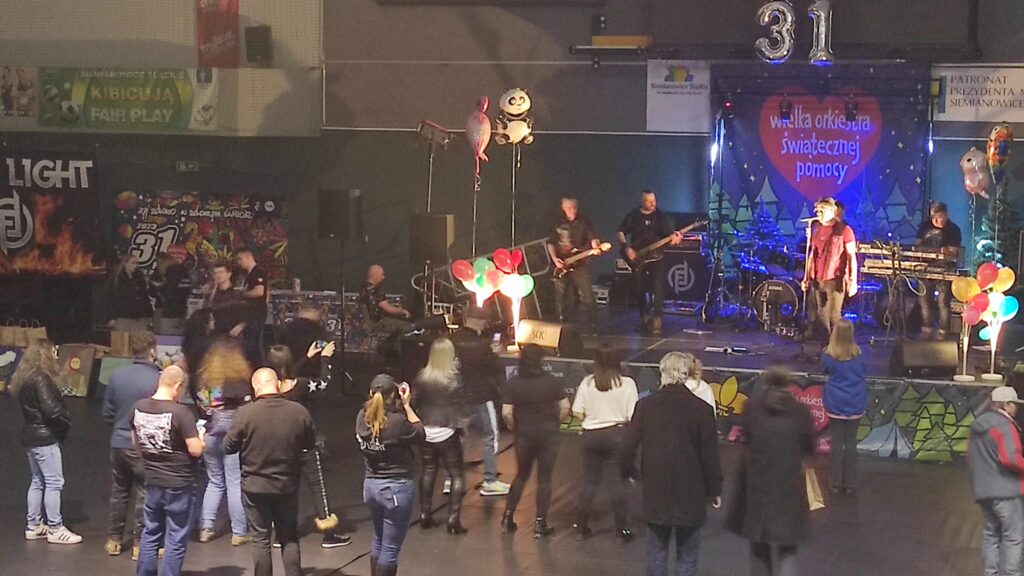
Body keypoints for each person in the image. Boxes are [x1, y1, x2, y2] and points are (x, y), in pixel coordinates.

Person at [621, 351, 723, 576]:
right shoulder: (702, 410)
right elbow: (710, 456)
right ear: (686, 374)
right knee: (687, 555)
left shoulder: (645, 406)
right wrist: (714, 490)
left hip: (656, 490)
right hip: (691, 493)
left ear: (662, 373)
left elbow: (627, 445)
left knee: (656, 552)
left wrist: (630, 472)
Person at [225, 368, 317, 576]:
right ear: (277, 385)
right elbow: (309, 444)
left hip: (254, 487)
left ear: (255, 387)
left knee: (260, 539)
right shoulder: (299, 411)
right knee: (289, 537)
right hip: (287, 485)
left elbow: (228, 447)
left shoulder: (245, 413)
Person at [728, 367, 815, 576]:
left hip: (758, 488)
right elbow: (810, 447)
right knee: (788, 548)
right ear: (789, 383)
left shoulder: (751, 409)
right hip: (789, 488)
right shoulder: (801, 412)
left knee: (759, 547)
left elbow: (746, 440)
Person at [265, 343, 352, 548]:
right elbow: (323, 383)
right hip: (304, 444)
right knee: (317, 485)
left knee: (285, 489)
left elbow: (286, 374)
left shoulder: (269, 389)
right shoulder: (302, 385)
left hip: (281, 447)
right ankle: (329, 534)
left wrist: (306, 357)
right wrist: (325, 359)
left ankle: (282, 534)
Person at [132, 365, 205, 576]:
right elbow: (195, 450)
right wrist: (202, 439)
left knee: (150, 532)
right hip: (179, 483)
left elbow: (135, 442)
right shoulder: (181, 412)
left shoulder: (138, 407)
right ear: (178, 386)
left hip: (152, 479)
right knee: (176, 536)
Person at [12, 338, 81, 545]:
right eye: (54, 352)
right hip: (45, 438)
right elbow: (51, 410)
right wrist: (66, 420)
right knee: (54, 482)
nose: (56, 356)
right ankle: (55, 528)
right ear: (45, 354)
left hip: (31, 436)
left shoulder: (25, 377)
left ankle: (33, 525)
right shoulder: (41, 378)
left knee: (37, 480)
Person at [356, 374, 425, 576]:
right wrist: (407, 406)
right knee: (390, 549)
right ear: (392, 396)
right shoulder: (397, 422)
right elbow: (420, 433)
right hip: (395, 489)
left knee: (379, 540)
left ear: (371, 393)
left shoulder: (361, 417)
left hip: (371, 487)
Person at [570, 344, 638, 541]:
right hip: (617, 436)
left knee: (589, 481)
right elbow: (632, 415)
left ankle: (581, 528)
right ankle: (621, 530)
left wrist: (591, 419)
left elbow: (577, 411)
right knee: (616, 481)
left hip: (590, 436)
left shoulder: (588, 382)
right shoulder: (627, 384)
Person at [500, 345, 570, 538]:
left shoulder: (513, 383)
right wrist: (556, 422)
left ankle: (507, 518)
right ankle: (540, 523)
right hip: (548, 434)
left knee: (521, 475)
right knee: (544, 479)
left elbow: (506, 413)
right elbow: (565, 407)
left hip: (524, 434)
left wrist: (514, 427)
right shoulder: (551, 381)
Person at [103, 331, 160, 558]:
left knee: (119, 492)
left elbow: (107, 413)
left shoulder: (117, 375)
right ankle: (139, 544)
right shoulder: (157, 378)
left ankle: (113, 540)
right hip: (144, 446)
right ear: (152, 351)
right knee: (145, 494)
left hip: (118, 442)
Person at [196, 340, 253, 545]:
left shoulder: (205, 382)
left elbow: (202, 410)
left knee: (214, 481)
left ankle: (206, 527)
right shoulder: (240, 383)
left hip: (210, 435)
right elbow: (247, 411)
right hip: (233, 437)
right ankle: (239, 532)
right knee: (234, 483)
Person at [412, 338, 469, 534]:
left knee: (428, 471)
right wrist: (462, 428)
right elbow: (461, 407)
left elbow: (414, 402)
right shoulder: (455, 379)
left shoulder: (421, 376)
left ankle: (424, 514)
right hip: (447, 431)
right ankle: (453, 520)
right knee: (456, 475)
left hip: (426, 431)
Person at [967, 386, 1024, 576]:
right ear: (1006, 405)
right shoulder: (1005, 426)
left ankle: (990, 573)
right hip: (1006, 491)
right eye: (1014, 404)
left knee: (991, 535)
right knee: (1013, 536)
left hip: (983, 491)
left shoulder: (978, 425)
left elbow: (969, 456)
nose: (1016, 408)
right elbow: (1011, 459)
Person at [450, 322, 510, 496]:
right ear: (480, 321)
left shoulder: (451, 340)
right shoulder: (482, 345)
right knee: (490, 436)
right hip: (481, 395)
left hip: (458, 395)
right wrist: (494, 354)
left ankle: (451, 479)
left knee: (457, 437)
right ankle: (490, 481)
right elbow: (494, 368)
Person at [617, 190, 683, 335]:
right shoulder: (633, 215)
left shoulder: (660, 216)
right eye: (649, 201)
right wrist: (626, 248)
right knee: (640, 287)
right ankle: (644, 317)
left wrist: (675, 239)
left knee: (658, 286)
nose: (653, 203)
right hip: (639, 258)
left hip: (656, 257)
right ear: (642, 202)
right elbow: (620, 232)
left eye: (654, 200)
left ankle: (657, 318)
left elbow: (669, 236)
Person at [801, 197, 858, 341]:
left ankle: (837, 346)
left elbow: (851, 256)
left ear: (833, 211)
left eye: (823, 210)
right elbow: (812, 255)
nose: (819, 213)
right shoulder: (816, 230)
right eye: (817, 210)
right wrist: (806, 277)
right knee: (822, 314)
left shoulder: (844, 230)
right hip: (818, 279)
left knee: (833, 315)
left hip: (835, 279)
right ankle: (825, 346)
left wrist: (853, 281)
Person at [821, 319, 867, 494]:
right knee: (851, 443)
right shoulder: (859, 354)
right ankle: (850, 484)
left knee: (837, 442)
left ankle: (835, 483)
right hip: (855, 401)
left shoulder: (828, 355)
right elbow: (863, 372)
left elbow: (824, 370)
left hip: (835, 402)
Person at [547, 196, 603, 333]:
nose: (572, 210)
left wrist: (596, 246)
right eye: (569, 208)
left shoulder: (584, 221)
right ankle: (561, 326)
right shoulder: (556, 222)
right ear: (563, 208)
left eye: (574, 207)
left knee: (587, 295)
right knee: (561, 296)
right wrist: (555, 259)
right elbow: (551, 242)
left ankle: (594, 325)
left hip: (580, 263)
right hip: (562, 263)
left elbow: (592, 237)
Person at [915, 202, 962, 339]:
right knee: (924, 300)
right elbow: (916, 246)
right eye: (934, 218)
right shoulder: (924, 226)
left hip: (944, 270)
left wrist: (946, 252)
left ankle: (944, 331)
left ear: (946, 215)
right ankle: (927, 329)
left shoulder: (953, 229)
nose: (936, 220)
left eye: (940, 217)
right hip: (924, 268)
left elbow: (954, 252)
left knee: (943, 302)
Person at [278, 303, 329, 379]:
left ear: (299, 310)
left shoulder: (288, 329)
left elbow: (280, 352)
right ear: (317, 312)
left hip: (290, 374)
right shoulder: (319, 332)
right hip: (313, 375)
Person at [361, 264, 413, 337]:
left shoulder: (363, 290)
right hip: (381, 324)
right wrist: (402, 311)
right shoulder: (376, 291)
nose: (383, 277)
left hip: (373, 324)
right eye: (382, 275)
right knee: (410, 326)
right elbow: (388, 309)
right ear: (375, 275)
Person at [236, 249, 269, 364]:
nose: (239, 262)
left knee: (253, 343)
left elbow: (259, 291)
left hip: (256, 314)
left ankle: (259, 366)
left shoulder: (258, 272)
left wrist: (242, 294)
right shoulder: (248, 275)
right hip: (249, 314)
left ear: (248, 257)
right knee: (250, 342)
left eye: (240, 259)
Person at [110, 253, 153, 332]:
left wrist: (149, 314)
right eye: (133, 263)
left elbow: (145, 296)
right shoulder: (118, 279)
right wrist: (112, 317)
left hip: (140, 316)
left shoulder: (139, 278)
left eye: (137, 263)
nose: (135, 265)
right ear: (125, 264)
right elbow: (113, 298)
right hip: (124, 316)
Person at [150, 253, 191, 336]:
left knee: (165, 338)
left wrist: (160, 289)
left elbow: (168, 293)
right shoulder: (185, 274)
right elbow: (188, 291)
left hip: (169, 313)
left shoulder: (171, 277)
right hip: (182, 312)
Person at [205, 260, 246, 337]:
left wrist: (240, 326)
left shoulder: (238, 293)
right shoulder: (211, 294)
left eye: (221, 272)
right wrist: (209, 320)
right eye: (216, 273)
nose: (218, 275)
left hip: (234, 336)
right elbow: (205, 312)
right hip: (215, 335)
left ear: (229, 274)